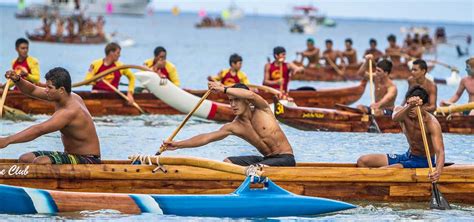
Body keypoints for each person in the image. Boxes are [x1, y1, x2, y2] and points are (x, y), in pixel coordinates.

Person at [162, 82, 295, 167]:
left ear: (246, 101)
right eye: (231, 101)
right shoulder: (235, 126)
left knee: (256, 168)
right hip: (266, 160)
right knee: (228, 163)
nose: (232, 105)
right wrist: (178, 144)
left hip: (285, 159)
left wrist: (223, 88)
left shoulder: (263, 109)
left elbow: (251, 94)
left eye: (236, 100)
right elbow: (207, 137)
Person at [0, 67, 101, 164]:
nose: (46, 90)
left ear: (61, 90)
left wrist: (7, 140)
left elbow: (39, 130)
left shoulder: (69, 111)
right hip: (70, 155)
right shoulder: (63, 96)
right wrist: (18, 80)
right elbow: (32, 90)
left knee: (41, 161)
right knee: (25, 159)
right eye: (46, 86)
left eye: (49, 87)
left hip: (88, 159)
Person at [357, 86, 445, 182]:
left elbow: (440, 152)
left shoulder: (431, 123)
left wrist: (438, 171)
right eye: (408, 104)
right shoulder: (403, 112)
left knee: (383, 171)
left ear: (423, 106)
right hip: (407, 156)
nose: (411, 109)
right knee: (363, 161)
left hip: (423, 161)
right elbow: (395, 118)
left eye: (415, 106)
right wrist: (410, 105)